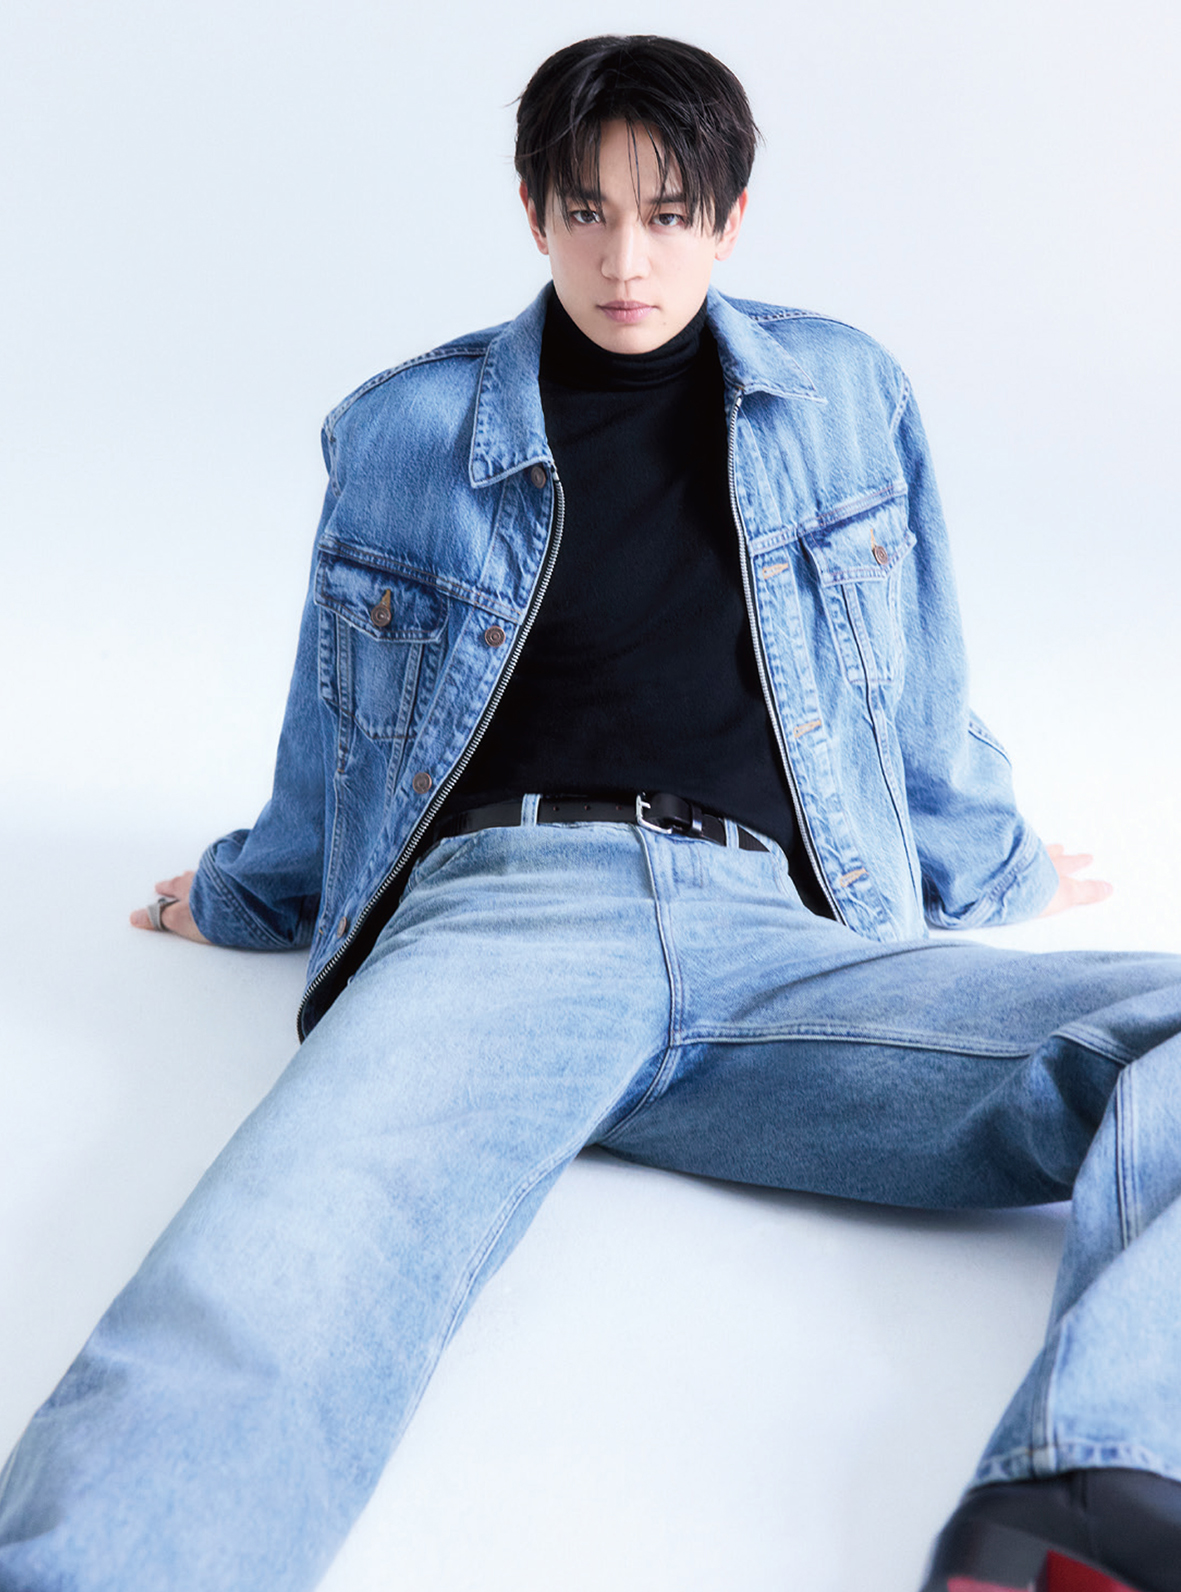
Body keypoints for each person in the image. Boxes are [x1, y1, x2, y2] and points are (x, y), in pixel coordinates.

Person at [1, 32, 1178, 1592]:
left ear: (731, 218)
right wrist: (251, 891)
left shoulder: (842, 392)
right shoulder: (408, 430)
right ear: (533, 212)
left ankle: (1092, 1496)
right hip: (505, 927)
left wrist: (991, 863)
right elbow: (338, 725)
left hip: (783, 949)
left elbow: (912, 678)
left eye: (669, 215)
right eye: (588, 212)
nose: (627, 260)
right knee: (268, 1280)